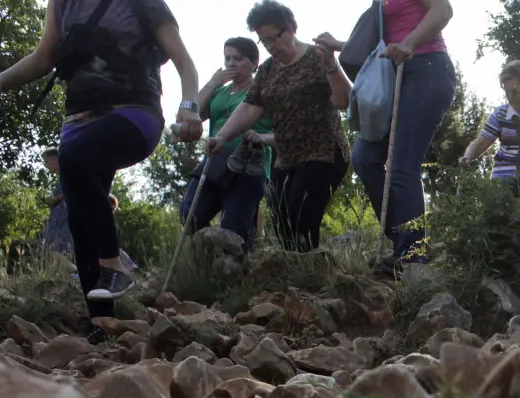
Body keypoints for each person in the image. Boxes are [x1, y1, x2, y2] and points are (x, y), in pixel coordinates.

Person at [0, 0, 201, 338]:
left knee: (73, 160)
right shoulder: (61, 4)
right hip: (76, 122)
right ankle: (101, 322)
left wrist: (190, 106)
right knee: (78, 217)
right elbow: (44, 59)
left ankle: (114, 265)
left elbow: (184, 62)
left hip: (134, 113)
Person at [315, 0, 455, 268]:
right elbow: (383, 45)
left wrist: (410, 43)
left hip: (427, 69)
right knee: (365, 158)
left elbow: (443, 10)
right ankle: (403, 237)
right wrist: (338, 45)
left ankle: (413, 255)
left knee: (403, 166)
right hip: (394, 73)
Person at [210, 1, 352, 252]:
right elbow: (250, 107)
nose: (269, 47)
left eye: (272, 39)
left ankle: (311, 280)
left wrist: (332, 64)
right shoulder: (267, 70)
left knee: (302, 218)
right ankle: (295, 281)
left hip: (325, 152)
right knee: (282, 223)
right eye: (263, 41)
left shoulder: (318, 58)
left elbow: (344, 100)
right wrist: (220, 138)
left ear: (289, 30)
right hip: (285, 157)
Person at [180, 37, 275, 251]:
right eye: (227, 58)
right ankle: (207, 254)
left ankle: (238, 271)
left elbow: (282, 127)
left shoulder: (264, 91)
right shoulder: (220, 93)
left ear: (254, 62)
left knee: (235, 227)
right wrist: (213, 83)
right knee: (189, 214)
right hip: (215, 159)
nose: (231, 63)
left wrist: (263, 137)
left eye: (238, 58)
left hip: (249, 161)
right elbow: (190, 114)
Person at [458, 60, 520, 197]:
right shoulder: (500, 114)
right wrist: (467, 156)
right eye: (507, 92)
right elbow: (482, 141)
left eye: (515, 91)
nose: (511, 96)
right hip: (503, 179)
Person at [39, 147, 73, 255]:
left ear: (55, 159)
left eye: (46, 161)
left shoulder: (67, 174)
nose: (46, 165)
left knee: (57, 251)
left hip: (64, 221)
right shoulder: (61, 178)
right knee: (54, 253)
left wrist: (53, 199)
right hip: (59, 220)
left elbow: (72, 191)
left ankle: (75, 271)